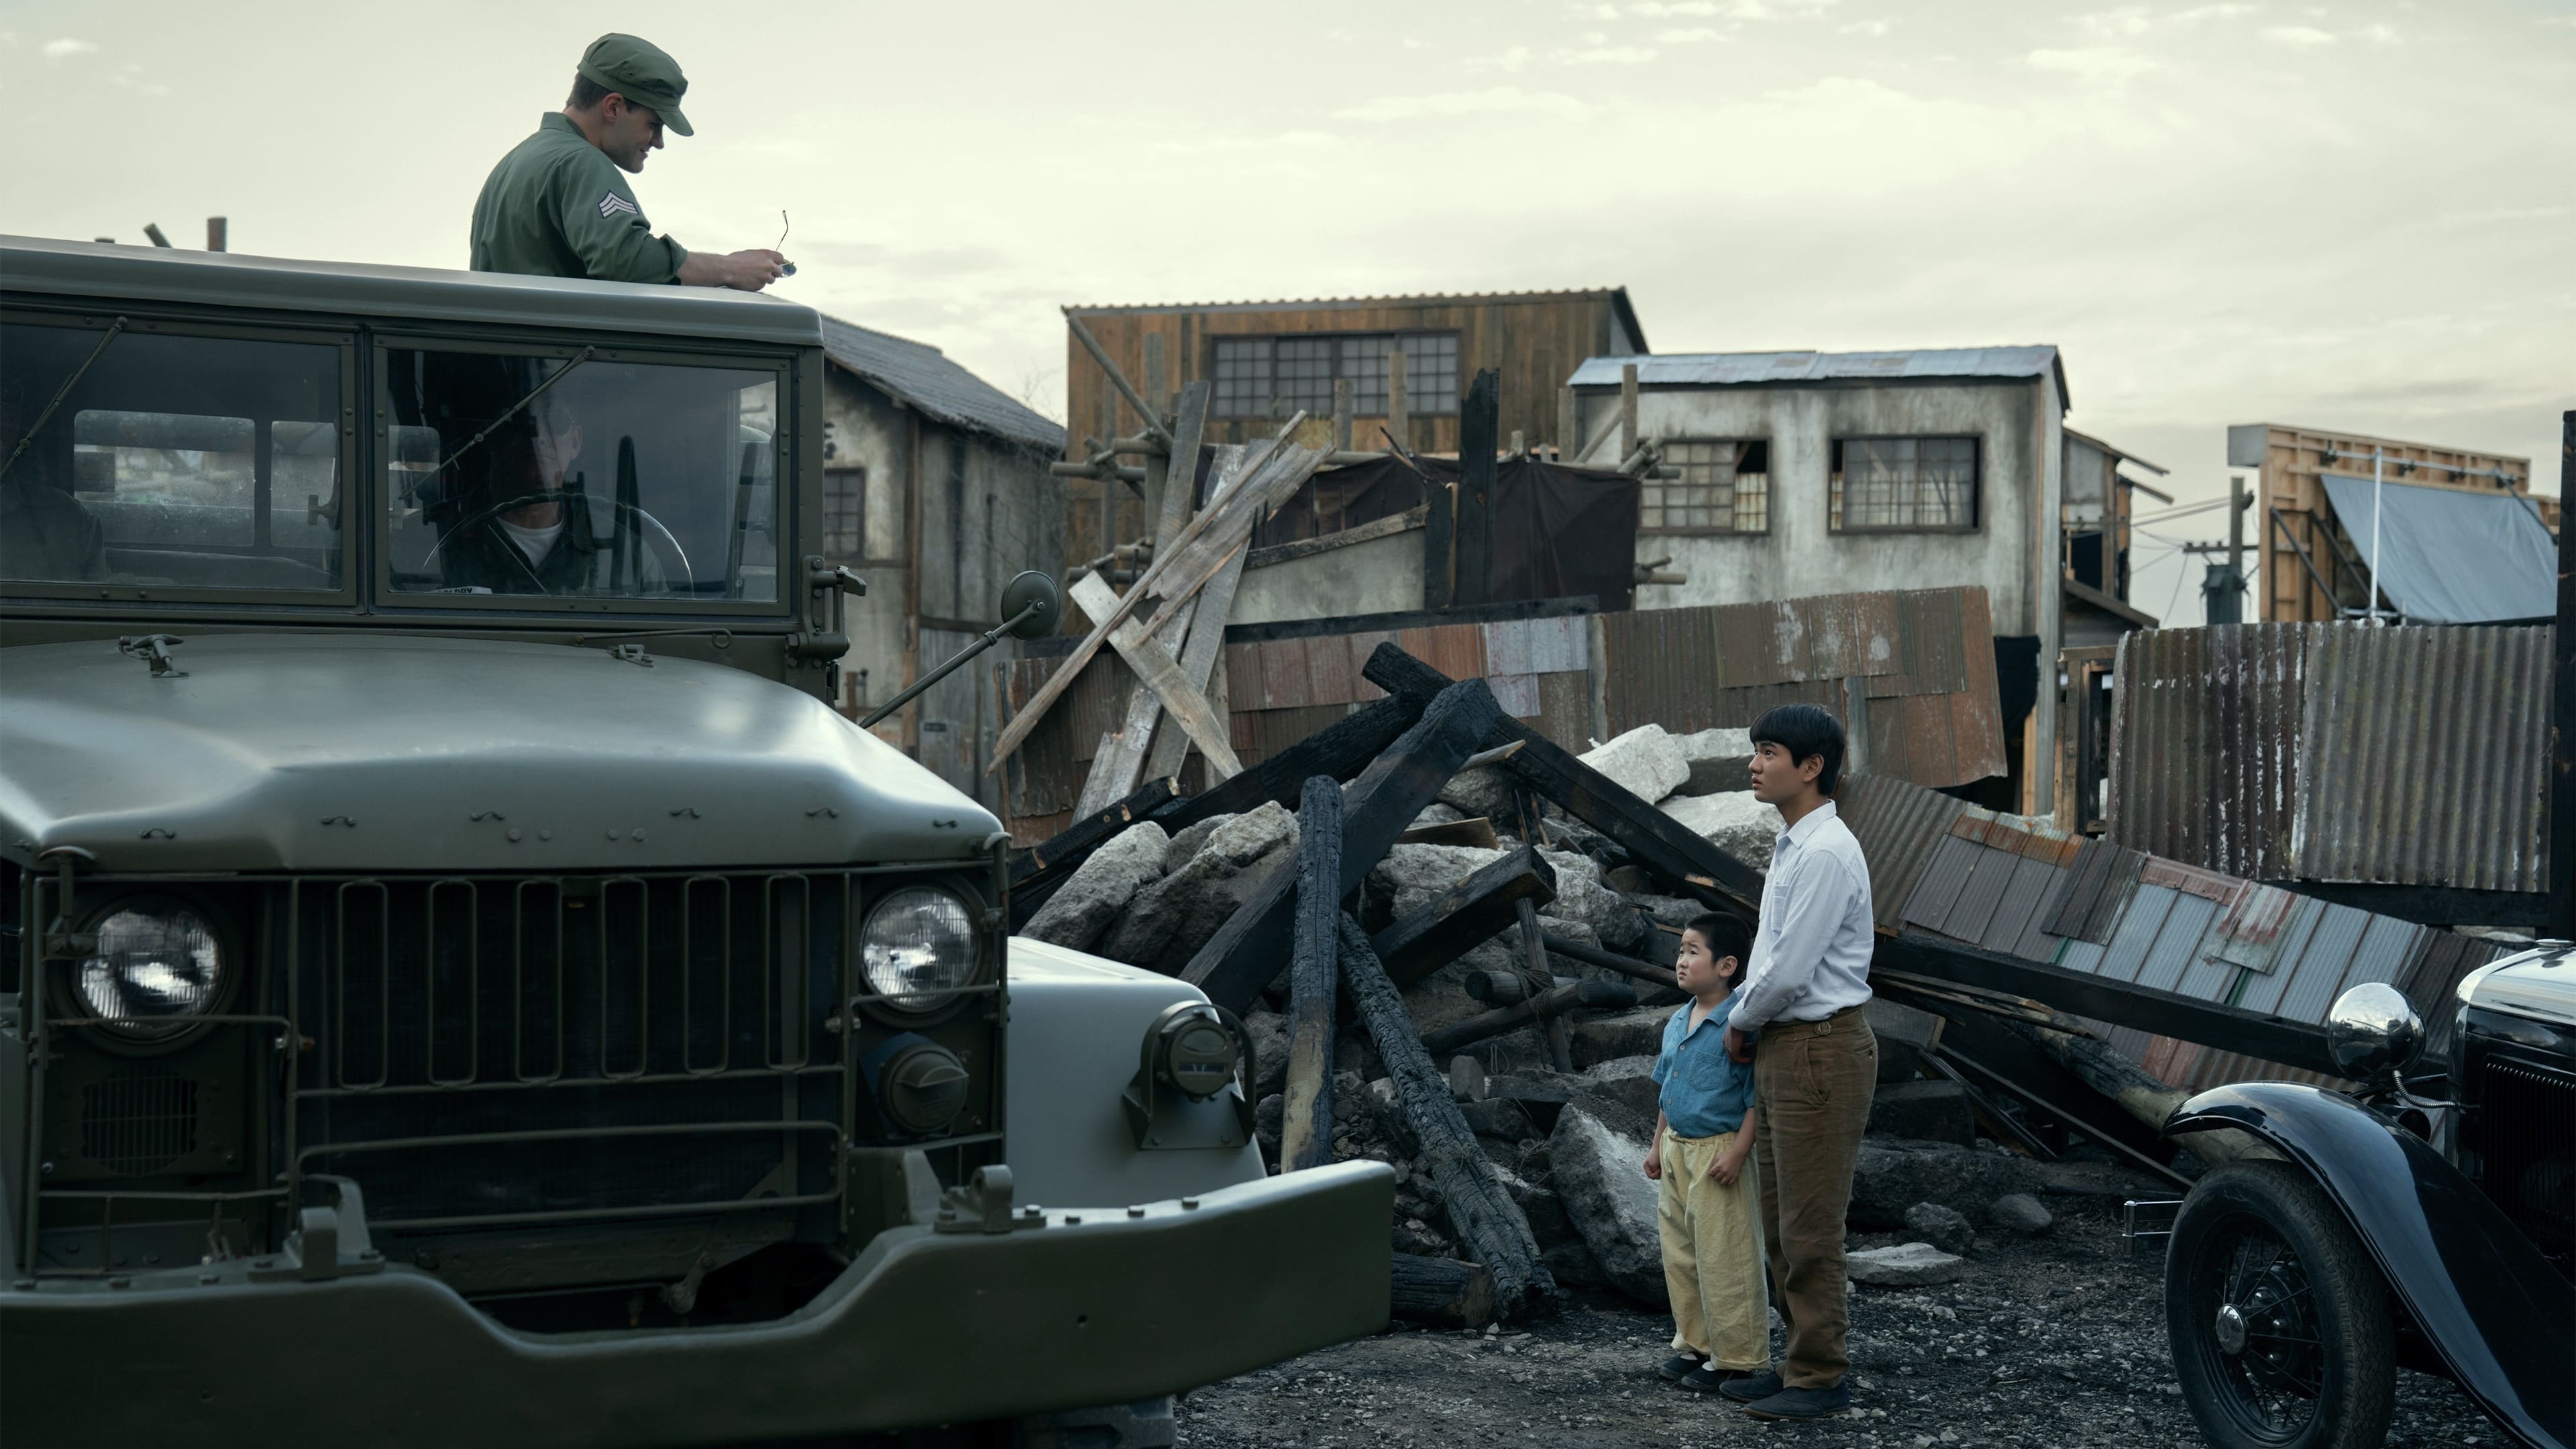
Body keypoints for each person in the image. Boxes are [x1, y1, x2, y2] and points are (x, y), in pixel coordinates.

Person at [1717, 702, 1878, 1422]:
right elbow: (1769, 957)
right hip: (1788, 1045)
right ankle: (1795, 1363)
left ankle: (1819, 1375)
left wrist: (1737, 1019)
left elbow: (1788, 973)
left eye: (1769, 752)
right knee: (1782, 1221)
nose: (1754, 764)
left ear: (1812, 767)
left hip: (1820, 1047)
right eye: (1756, 750)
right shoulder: (1793, 845)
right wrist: (1749, 1019)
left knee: (1811, 1226)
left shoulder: (1826, 852)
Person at [470, 34, 789, 290]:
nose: (658, 142)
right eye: (654, 124)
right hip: (556, 354)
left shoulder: (518, 161)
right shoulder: (581, 162)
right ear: (613, 107)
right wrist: (730, 269)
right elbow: (626, 259)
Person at [1645, 911, 1767, 1396]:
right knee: (1682, 1254)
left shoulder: (1740, 1025)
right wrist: (1656, 1144)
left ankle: (1737, 1357)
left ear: (1726, 966)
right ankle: (1697, 1344)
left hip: (1718, 1154)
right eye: (1680, 951)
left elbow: (1758, 1098)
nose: (1681, 960)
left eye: (1693, 952)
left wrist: (1738, 1152)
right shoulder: (1679, 1019)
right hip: (1677, 1149)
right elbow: (1666, 1089)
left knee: (1725, 1256)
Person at [433, 394, 666, 597]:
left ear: (575, 442)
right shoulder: (441, 546)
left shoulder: (630, 557)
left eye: (556, 421)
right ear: (494, 438)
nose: (539, 435)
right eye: (520, 420)